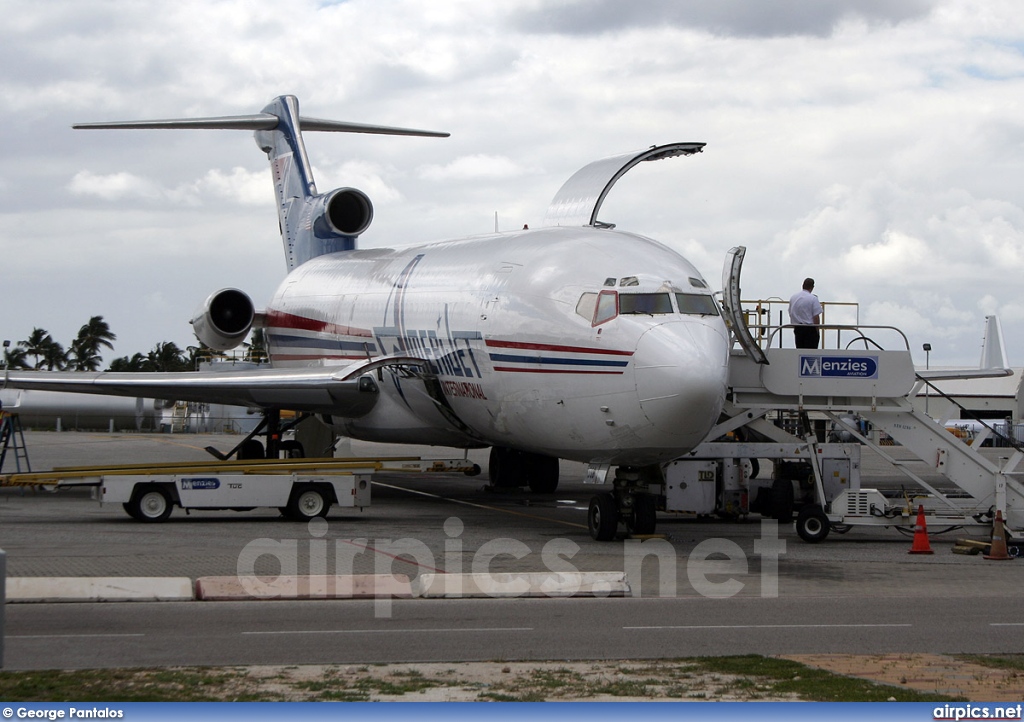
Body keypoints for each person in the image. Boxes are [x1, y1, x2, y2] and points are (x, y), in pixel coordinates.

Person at [789, 277, 822, 349]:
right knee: (810, 352)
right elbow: (816, 317)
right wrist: (817, 331)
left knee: (800, 351)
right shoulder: (813, 298)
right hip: (810, 329)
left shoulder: (793, 297)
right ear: (812, 287)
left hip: (798, 328)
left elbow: (791, 313)